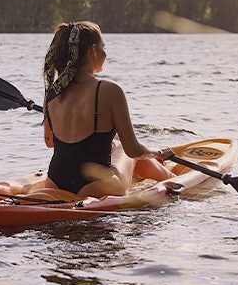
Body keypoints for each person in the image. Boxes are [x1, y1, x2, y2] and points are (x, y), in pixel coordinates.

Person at [41, 20, 174, 197]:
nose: (105, 52)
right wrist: (156, 152)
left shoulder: (53, 93)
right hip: (94, 186)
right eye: (103, 46)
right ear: (92, 51)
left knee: (113, 147)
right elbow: (133, 150)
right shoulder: (109, 91)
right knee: (122, 150)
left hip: (55, 183)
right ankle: (173, 178)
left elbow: (50, 142)